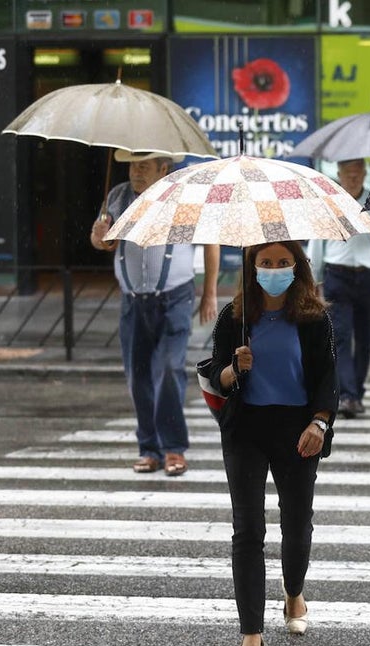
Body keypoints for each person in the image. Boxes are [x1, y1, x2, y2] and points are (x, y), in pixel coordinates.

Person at [207, 241, 338, 646]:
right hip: (246, 429)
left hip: (297, 430)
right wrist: (234, 367)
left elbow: (327, 377)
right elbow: (216, 377)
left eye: (284, 262)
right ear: (253, 267)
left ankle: (294, 591)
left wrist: (319, 423)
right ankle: (251, 632)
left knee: (297, 522)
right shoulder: (235, 317)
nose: (275, 270)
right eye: (266, 263)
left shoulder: (315, 319)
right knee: (248, 530)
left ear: (297, 267)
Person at [90, 150, 219, 476]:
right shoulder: (118, 196)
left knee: (168, 369)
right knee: (138, 377)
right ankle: (149, 448)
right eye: (133, 166)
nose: (136, 172)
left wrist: (210, 293)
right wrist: (99, 237)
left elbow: (210, 242)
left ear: (163, 168)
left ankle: (173, 448)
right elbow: (102, 241)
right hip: (133, 300)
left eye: (144, 166)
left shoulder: (183, 198)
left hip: (174, 298)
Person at [307, 159, 370, 417]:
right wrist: (314, 279)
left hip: (368, 275)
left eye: (358, 174)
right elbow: (317, 241)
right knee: (341, 336)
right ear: (339, 174)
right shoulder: (330, 200)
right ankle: (348, 395)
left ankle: (356, 390)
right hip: (338, 274)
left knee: (366, 337)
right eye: (349, 174)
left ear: (365, 174)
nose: (354, 178)